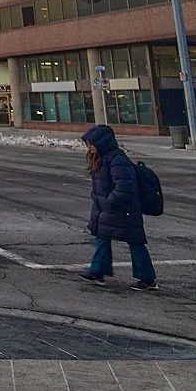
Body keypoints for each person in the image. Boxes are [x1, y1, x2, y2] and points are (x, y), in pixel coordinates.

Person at [80, 124, 156, 290]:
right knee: (102, 237)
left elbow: (125, 187)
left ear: (102, 143)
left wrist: (109, 202)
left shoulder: (117, 160)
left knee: (134, 242)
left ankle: (147, 278)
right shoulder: (102, 158)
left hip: (123, 210)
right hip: (106, 209)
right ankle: (97, 271)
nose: (90, 147)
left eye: (92, 143)